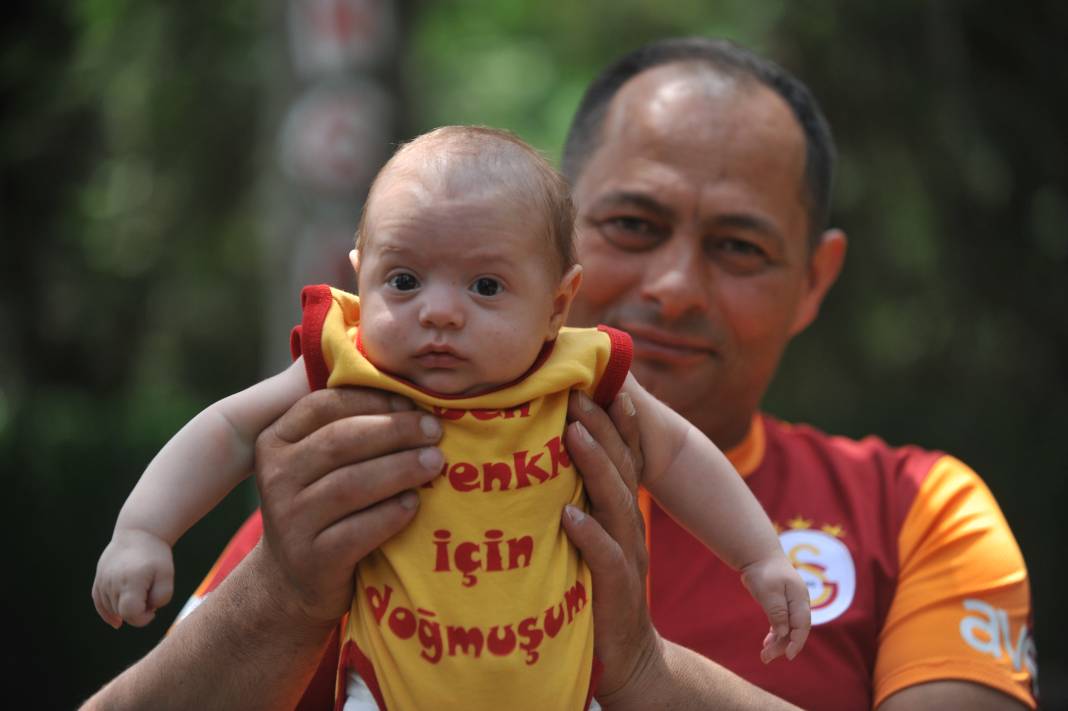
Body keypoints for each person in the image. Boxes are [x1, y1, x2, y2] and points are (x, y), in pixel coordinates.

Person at [82, 37, 1037, 711]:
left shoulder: (918, 509)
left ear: (816, 278)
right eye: (634, 224)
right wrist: (279, 596)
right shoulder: (356, 449)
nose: (672, 287)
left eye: (740, 246)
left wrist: (648, 680)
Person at [90, 125, 809, 711]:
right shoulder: (348, 360)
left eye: (486, 285)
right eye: (402, 279)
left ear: (558, 305)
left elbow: (678, 453)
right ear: (359, 271)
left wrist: (760, 555)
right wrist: (143, 530)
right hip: (387, 685)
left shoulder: (578, 372)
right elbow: (228, 430)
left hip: (563, 684)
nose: (437, 309)